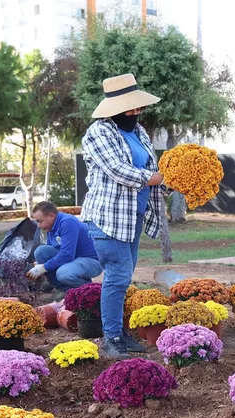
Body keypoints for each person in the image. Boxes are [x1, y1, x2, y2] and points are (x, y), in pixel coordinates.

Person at [81, 73, 167, 359]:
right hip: (108, 218)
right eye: (130, 108)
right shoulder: (98, 133)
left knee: (124, 276)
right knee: (117, 276)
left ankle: (118, 334)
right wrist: (154, 178)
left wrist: (169, 179)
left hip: (133, 216)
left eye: (138, 107)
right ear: (114, 109)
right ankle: (112, 338)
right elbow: (118, 170)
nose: (136, 112)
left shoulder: (139, 132)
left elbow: (152, 168)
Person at [27, 201, 102, 299]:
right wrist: (39, 264)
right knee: (40, 252)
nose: (39, 225)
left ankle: (89, 290)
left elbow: (67, 255)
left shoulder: (68, 223)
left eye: (40, 221)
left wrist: (43, 267)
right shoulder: (51, 226)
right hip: (74, 258)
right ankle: (62, 287)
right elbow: (52, 249)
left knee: (63, 273)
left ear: (51, 216)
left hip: (91, 261)